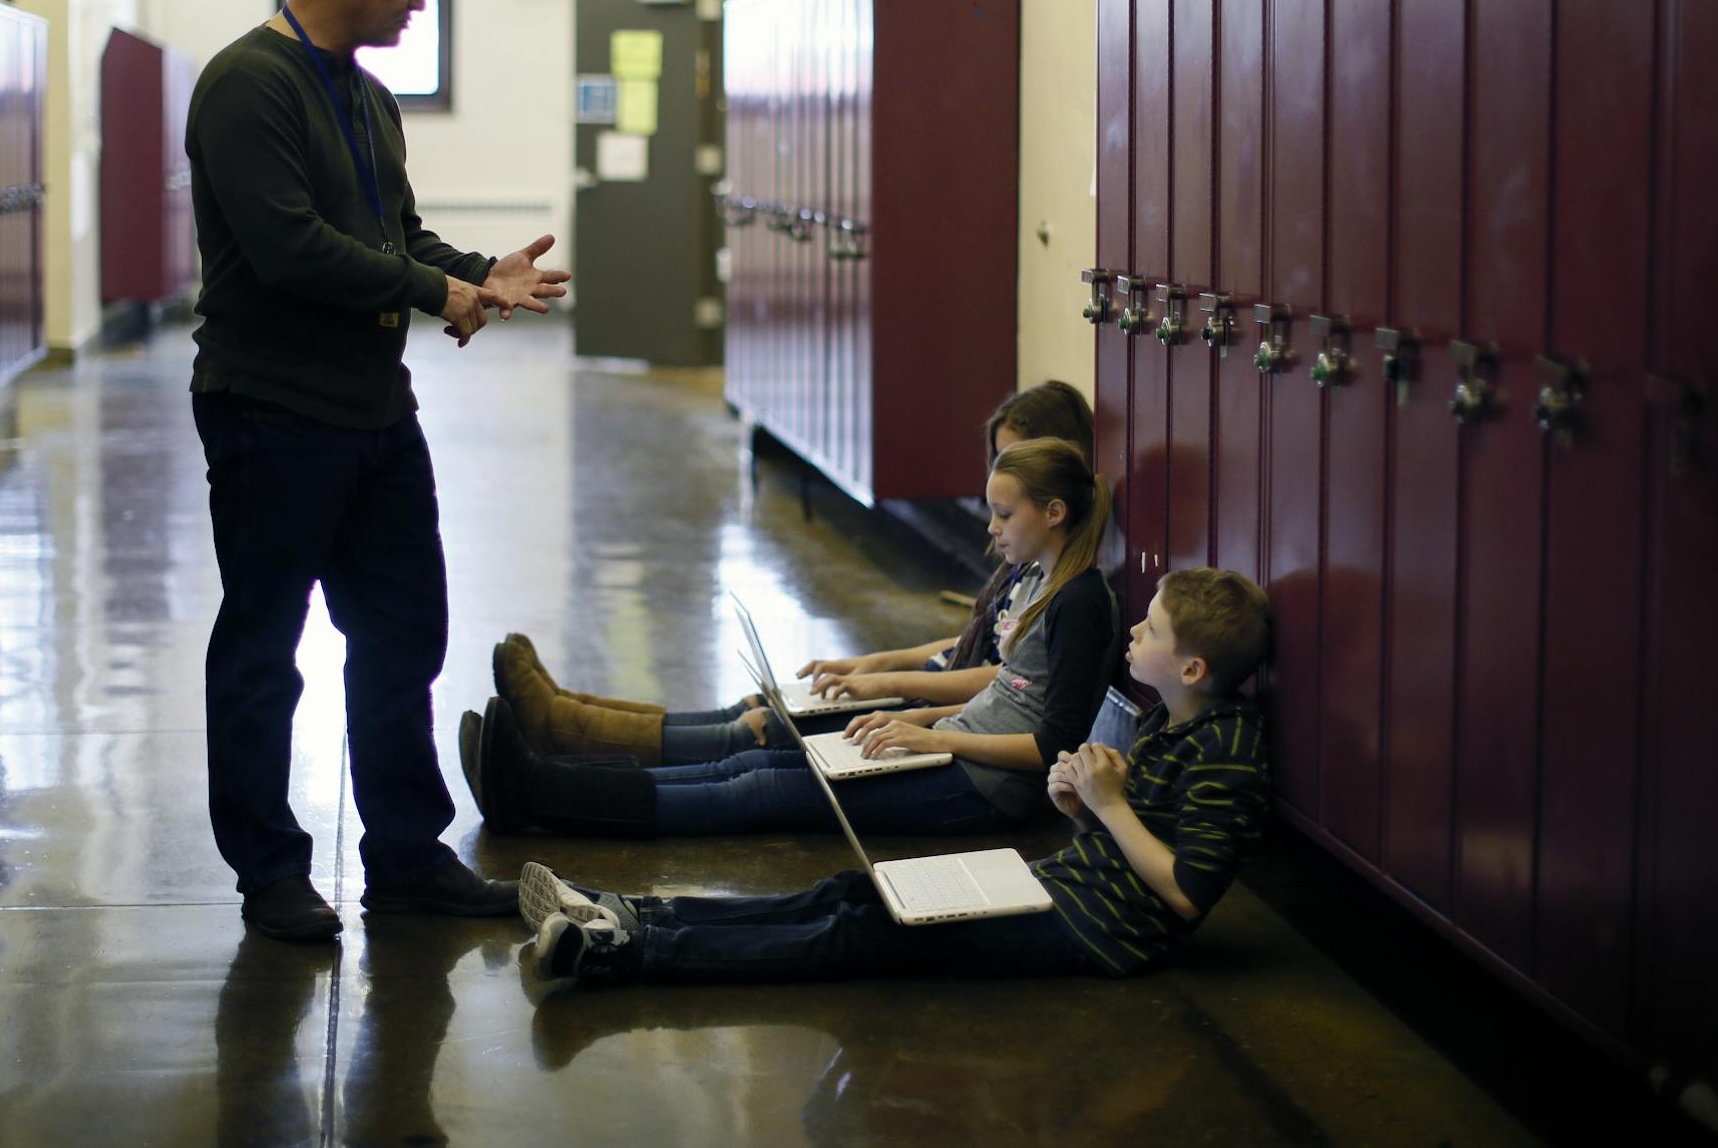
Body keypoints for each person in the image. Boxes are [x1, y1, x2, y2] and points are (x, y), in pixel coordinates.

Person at [186, 0, 571, 942]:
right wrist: (432, 292)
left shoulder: (367, 96)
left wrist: (476, 274)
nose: (417, 1)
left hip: (372, 413)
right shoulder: (246, 83)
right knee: (265, 646)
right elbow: (290, 247)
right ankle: (269, 873)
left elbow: (392, 233)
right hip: (271, 411)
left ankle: (405, 859)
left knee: (403, 634)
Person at [515, 566, 1273, 985]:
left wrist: (1106, 806)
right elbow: (1121, 838)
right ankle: (633, 912)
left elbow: (1183, 890)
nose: (1134, 632)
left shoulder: (1228, 754)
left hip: (1097, 929)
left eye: (1152, 629)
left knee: (857, 932)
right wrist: (1080, 806)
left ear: (1193, 667)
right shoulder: (1166, 720)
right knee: (852, 890)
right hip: (1061, 882)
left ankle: (630, 949)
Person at [463, 437, 1120, 839]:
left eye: (1005, 514)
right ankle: (554, 766)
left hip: (983, 789)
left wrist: (928, 730)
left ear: (1055, 512)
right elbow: (1003, 690)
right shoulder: (1041, 577)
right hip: (954, 745)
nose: (993, 528)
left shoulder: (1081, 600)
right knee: (751, 762)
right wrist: (920, 715)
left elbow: (1048, 741)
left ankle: (541, 793)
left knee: (760, 786)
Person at [488, 380, 1100, 764]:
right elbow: (978, 647)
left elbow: (1000, 677)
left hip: (951, 716)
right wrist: (875, 664)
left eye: (1013, 460)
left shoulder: (1067, 583)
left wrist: (889, 687)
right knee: (763, 703)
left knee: (761, 728)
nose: (998, 472)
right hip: (936, 697)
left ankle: (570, 732)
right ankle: (571, 714)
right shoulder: (1027, 559)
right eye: (997, 457)